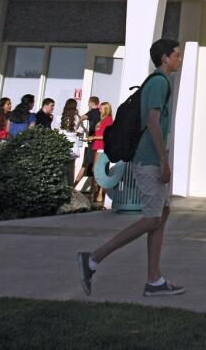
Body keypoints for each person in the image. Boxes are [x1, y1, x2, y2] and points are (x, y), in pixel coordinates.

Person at [78, 39, 184, 298]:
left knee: (162, 213)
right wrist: (163, 160)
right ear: (164, 58)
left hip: (148, 157)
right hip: (148, 159)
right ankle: (92, 259)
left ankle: (154, 280)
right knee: (152, 218)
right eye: (176, 55)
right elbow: (153, 123)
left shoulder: (157, 81)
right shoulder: (159, 82)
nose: (179, 60)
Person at [75, 96, 101, 193]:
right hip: (98, 142)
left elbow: (82, 118)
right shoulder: (100, 113)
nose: (88, 105)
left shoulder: (92, 112)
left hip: (92, 142)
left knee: (86, 165)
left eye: (88, 103)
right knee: (94, 166)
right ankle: (95, 191)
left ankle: (73, 187)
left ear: (92, 103)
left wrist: (76, 128)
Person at [89, 101, 113, 207]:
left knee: (100, 171)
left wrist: (93, 137)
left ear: (106, 109)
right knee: (95, 170)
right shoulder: (101, 120)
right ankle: (95, 192)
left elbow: (107, 136)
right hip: (97, 147)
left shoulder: (108, 120)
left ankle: (99, 193)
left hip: (102, 148)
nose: (99, 110)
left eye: (101, 108)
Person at [58, 98, 83, 186]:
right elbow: (80, 131)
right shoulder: (77, 118)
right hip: (73, 145)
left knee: (63, 167)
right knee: (71, 168)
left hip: (63, 144)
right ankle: (70, 188)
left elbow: (59, 131)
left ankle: (62, 187)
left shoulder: (61, 117)